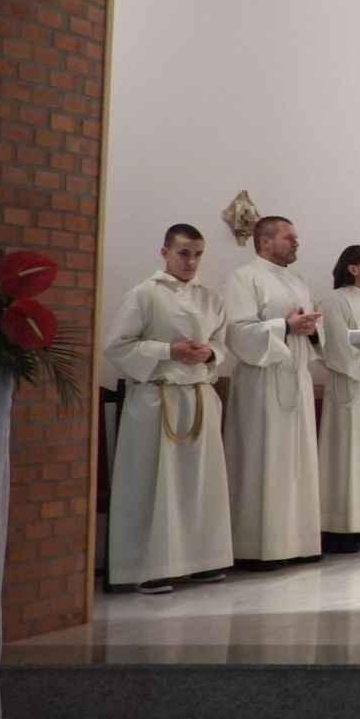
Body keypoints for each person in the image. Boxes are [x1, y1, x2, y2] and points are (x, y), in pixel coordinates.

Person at [103, 223, 232, 594]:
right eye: (183, 253)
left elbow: (221, 343)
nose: (191, 262)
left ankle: (199, 560)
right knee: (153, 484)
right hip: (156, 399)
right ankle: (148, 567)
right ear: (165, 253)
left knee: (198, 485)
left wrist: (210, 353)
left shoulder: (210, 297)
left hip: (198, 396)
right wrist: (168, 350)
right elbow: (116, 347)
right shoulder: (145, 293)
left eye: (198, 254)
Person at [219, 215, 322, 568]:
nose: (296, 243)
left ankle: (298, 542)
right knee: (263, 461)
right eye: (289, 237)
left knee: (296, 465)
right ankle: (258, 547)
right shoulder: (243, 277)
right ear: (265, 241)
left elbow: (308, 328)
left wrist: (309, 329)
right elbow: (237, 331)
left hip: (297, 379)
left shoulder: (299, 282)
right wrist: (285, 326)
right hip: (263, 381)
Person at [317, 245, 360, 552]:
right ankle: (339, 527)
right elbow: (338, 348)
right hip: (349, 389)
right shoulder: (335, 301)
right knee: (345, 458)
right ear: (353, 268)